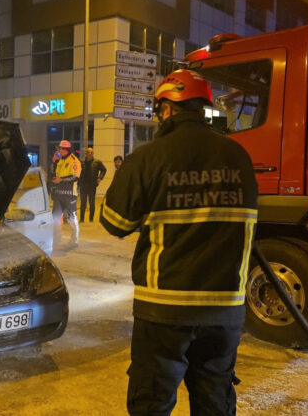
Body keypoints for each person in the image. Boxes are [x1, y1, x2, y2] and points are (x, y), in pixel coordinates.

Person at [100, 69, 258, 415]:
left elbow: (114, 223)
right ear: (203, 108)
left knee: (151, 404)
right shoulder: (239, 158)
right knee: (215, 403)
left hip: (163, 310)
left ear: (167, 109)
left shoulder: (148, 157)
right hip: (224, 309)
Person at [51, 140, 81, 250]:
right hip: (59, 195)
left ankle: (75, 240)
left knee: (73, 218)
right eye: (59, 148)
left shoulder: (74, 161)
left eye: (61, 149)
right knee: (55, 218)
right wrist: (54, 162)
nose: (59, 150)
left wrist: (61, 180)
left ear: (66, 150)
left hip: (70, 195)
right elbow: (55, 176)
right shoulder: (60, 161)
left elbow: (75, 177)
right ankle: (56, 241)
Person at [78, 147, 106, 222]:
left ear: (93, 153)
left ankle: (91, 219)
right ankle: (81, 219)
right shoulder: (81, 162)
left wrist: (100, 178)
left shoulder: (97, 162)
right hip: (83, 185)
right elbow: (77, 172)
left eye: (91, 152)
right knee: (83, 203)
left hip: (92, 185)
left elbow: (104, 170)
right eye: (88, 152)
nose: (90, 154)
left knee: (92, 203)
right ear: (86, 154)